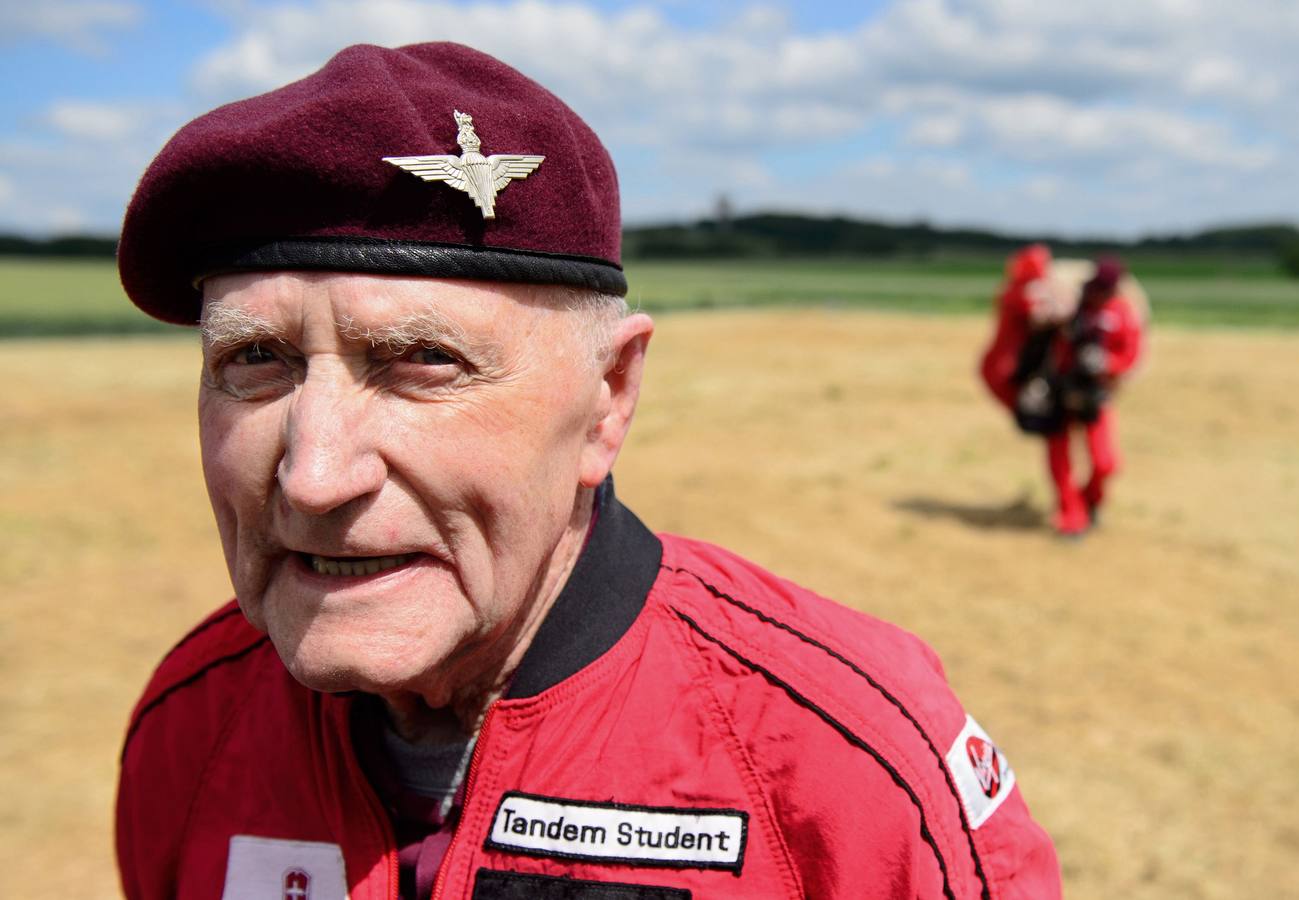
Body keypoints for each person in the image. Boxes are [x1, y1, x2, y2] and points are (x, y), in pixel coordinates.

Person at [115, 42, 1061, 899]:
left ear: (607, 399)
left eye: (422, 361)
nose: (314, 476)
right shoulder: (192, 724)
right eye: (254, 363)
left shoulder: (838, 765)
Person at [1044, 257, 1144, 535]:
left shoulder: (1123, 315)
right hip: (1062, 392)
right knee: (1060, 458)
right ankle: (1069, 514)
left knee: (1105, 462)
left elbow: (1131, 355)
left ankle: (1091, 501)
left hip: (1097, 394)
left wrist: (1107, 363)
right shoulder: (1072, 307)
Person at [979, 243, 1053, 410]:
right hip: (1007, 365)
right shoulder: (1021, 293)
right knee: (1036, 413)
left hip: (1001, 360)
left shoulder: (1011, 289)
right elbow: (1041, 318)